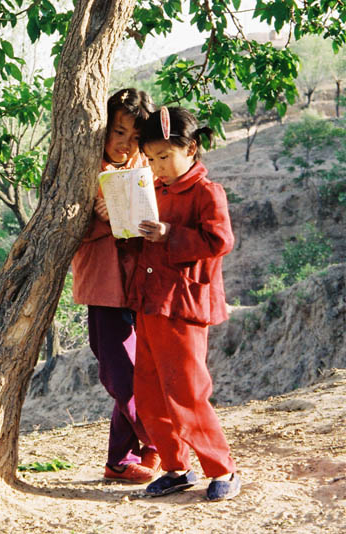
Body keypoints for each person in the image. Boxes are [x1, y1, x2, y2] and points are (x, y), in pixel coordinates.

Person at [128, 105, 241, 501]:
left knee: (188, 391)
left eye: (165, 156)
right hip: (149, 303)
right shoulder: (151, 191)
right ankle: (177, 469)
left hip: (184, 304)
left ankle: (221, 467)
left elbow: (219, 241)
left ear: (191, 149)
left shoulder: (207, 192)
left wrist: (170, 233)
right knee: (149, 390)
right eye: (152, 157)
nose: (157, 165)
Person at [71, 88, 159, 483]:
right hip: (104, 283)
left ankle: (121, 459)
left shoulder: (145, 165)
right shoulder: (82, 166)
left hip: (142, 282)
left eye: (134, 137)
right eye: (118, 132)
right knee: (118, 372)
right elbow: (66, 228)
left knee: (139, 369)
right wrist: (98, 215)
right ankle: (159, 439)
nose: (124, 144)